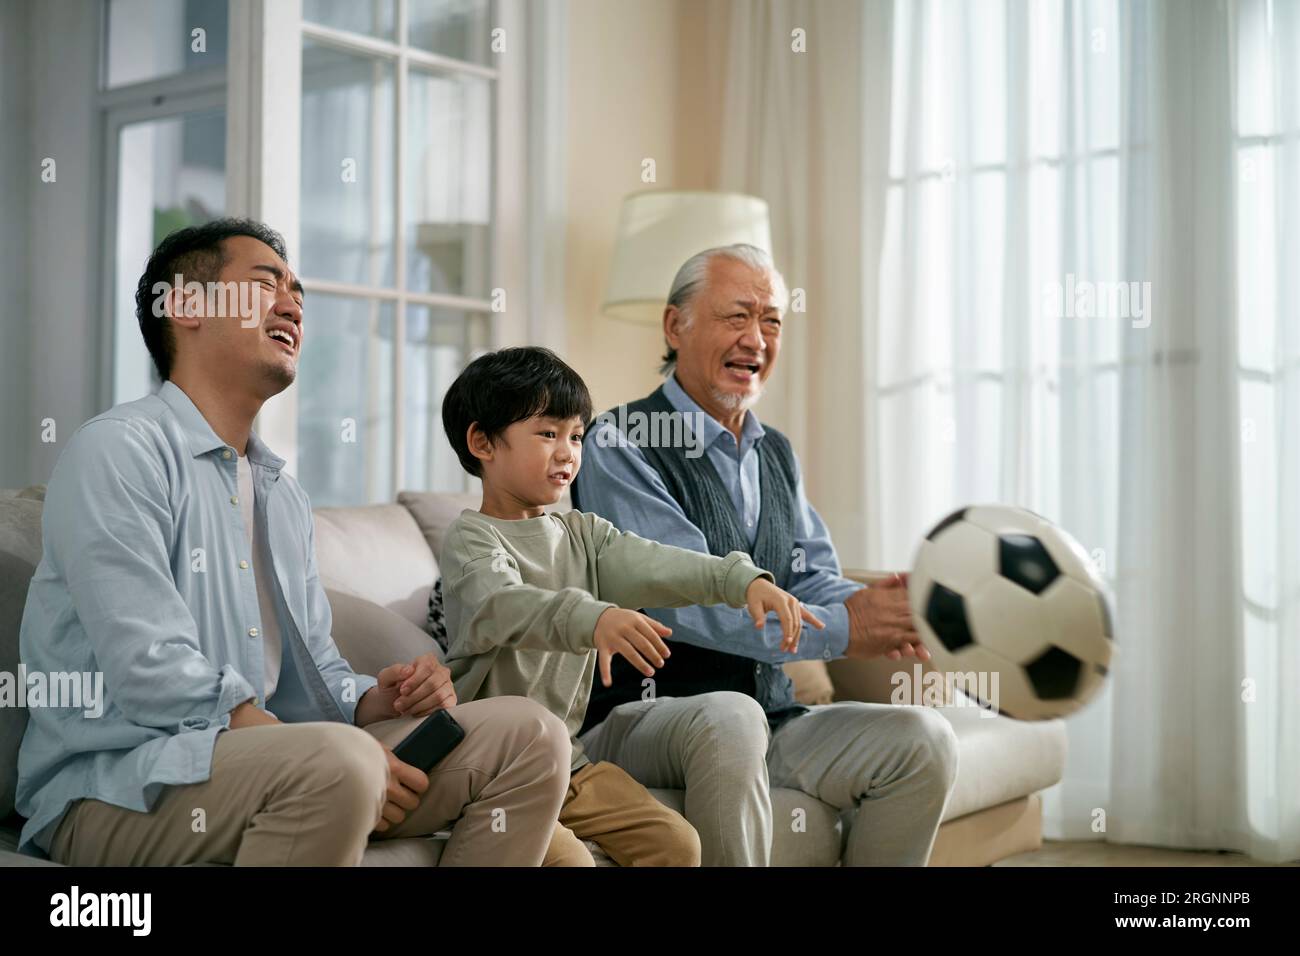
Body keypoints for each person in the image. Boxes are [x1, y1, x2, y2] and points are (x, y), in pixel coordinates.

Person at [15, 219, 570, 866]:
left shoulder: (281, 494)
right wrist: (334, 753)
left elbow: (314, 677)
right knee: (341, 765)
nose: (293, 304)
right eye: (265, 283)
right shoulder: (119, 451)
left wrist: (373, 700)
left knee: (531, 736)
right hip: (116, 785)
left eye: (298, 291)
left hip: (269, 765)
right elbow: (149, 665)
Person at [572, 243, 960, 866]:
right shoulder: (621, 441)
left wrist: (886, 609)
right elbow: (685, 598)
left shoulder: (774, 451)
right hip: (643, 718)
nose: (757, 338)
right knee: (730, 718)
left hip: (769, 715)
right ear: (676, 325)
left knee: (923, 739)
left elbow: (810, 574)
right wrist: (842, 629)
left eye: (772, 321)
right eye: (737, 316)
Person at [437, 346, 821, 866]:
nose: (568, 452)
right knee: (570, 861)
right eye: (548, 434)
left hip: (567, 766)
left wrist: (740, 580)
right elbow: (506, 605)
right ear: (482, 441)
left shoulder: (584, 535)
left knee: (678, 845)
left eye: (576, 436)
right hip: (489, 769)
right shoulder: (472, 539)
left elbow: (660, 563)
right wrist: (593, 616)